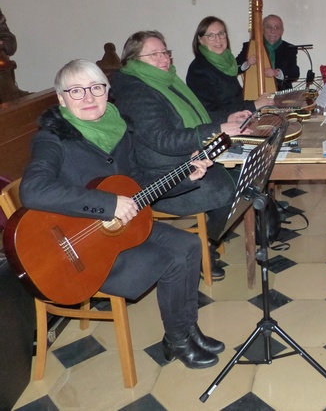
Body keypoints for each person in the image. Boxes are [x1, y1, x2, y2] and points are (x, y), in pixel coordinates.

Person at [20, 59, 225, 369]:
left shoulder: (119, 129)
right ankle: (178, 340)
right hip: (81, 249)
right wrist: (108, 203)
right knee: (172, 260)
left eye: (96, 88)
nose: (88, 97)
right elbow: (33, 190)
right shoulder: (51, 138)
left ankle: (186, 330)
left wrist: (185, 175)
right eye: (76, 91)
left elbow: (137, 182)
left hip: (121, 229)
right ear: (61, 99)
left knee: (189, 244)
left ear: (108, 92)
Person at [111, 30, 251, 281]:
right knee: (230, 188)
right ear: (133, 60)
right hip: (161, 177)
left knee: (245, 174)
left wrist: (225, 119)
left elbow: (192, 118)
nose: (164, 58)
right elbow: (164, 139)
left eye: (165, 52)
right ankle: (204, 245)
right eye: (154, 54)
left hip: (185, 160)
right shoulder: (136, 93)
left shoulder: (166, 81)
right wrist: (218, 129)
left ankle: (209, 235)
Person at [187, 16, 272, 118]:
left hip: (237, 120)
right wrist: (254, 105)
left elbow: (234, 101)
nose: (218, 39)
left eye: (221, 34)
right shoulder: (198, 70)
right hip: (221, 125)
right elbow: (211, 112)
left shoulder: (227, 63)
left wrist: (258, 102)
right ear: (200, 40)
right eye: (211, 36)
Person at [238, 14, 300, 91]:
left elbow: (295, 73)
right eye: (268, 27)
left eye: (276, 28)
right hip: (255, 91)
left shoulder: (289, 48)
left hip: (282, 93)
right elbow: (235, 67)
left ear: (282, 31)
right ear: (262, 29)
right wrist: (247, 63)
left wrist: (277, 72)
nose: (272, 31)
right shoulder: (249, 46)